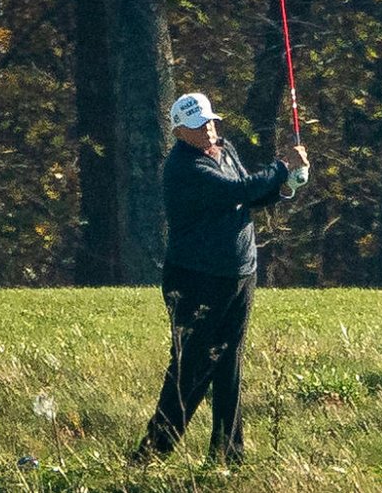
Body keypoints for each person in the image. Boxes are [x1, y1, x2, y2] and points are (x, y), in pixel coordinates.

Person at [132, 92, 309, 466]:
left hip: (239, 274)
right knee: (192, 366)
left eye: (211, 121)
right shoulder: (183, 168)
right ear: (180, 131)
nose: (209, 130)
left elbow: (249, 196)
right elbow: (236, 191)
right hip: (196, 280)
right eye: (199, 126)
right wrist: (281, 166)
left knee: (229, 364)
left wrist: (285, 186)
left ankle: (228, 455)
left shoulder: (224, 150)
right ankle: (152, 454)